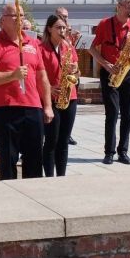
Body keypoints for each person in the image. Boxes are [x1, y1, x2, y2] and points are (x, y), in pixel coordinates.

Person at [0, 3, 54, 180]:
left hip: (32, 106)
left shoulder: (33, 43)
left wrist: (48, 105)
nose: (19, 19)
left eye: (21, 15)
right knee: (8, 159)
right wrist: (12, 75)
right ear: (2, 20)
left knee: (35, 159)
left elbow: (42, 77)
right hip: (5, 107)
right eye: (14, 16)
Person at [88, 0, 130, 165]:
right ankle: (109, 152)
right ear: (118, 6)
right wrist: (106, 65)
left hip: (127, 72)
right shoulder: (105, 24)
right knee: (112, 113)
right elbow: (92, 49)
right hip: (109, 72)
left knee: (127, 114)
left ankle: (123, 151)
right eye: (128, 7)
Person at [39, 15, 79, 177]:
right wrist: (49, 87)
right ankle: (49, 177)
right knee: (51, 141)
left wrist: (75, 69)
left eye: (63, 28)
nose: (62, 31)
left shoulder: (68, 47)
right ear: (49, 29)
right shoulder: (41, 49)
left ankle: (61, 176)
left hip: (70, 96)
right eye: (58, 27)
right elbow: (36, 75)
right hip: (51, 99)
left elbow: (78, 73)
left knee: (63, 141)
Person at [55, 7, 79, 146]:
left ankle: (67, 135)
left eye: (66, 17)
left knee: (63, 141)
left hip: (69, 86)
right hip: (54, 89)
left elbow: (77, 70)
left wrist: (75, 69)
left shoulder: (68, 41)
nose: (65, 19)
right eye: (61, 16)